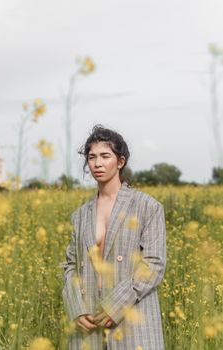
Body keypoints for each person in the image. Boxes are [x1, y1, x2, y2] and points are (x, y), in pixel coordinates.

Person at [62, 124, 166, 350]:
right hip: (89, 326)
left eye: (105, 156)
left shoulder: (147, 207)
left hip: (133, 321)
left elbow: (154, 264)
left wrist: (115, 305)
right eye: (92, 157)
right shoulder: (79, 216)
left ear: (120, 161)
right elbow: (70, 266)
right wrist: (76, 309)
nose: (97, 163)